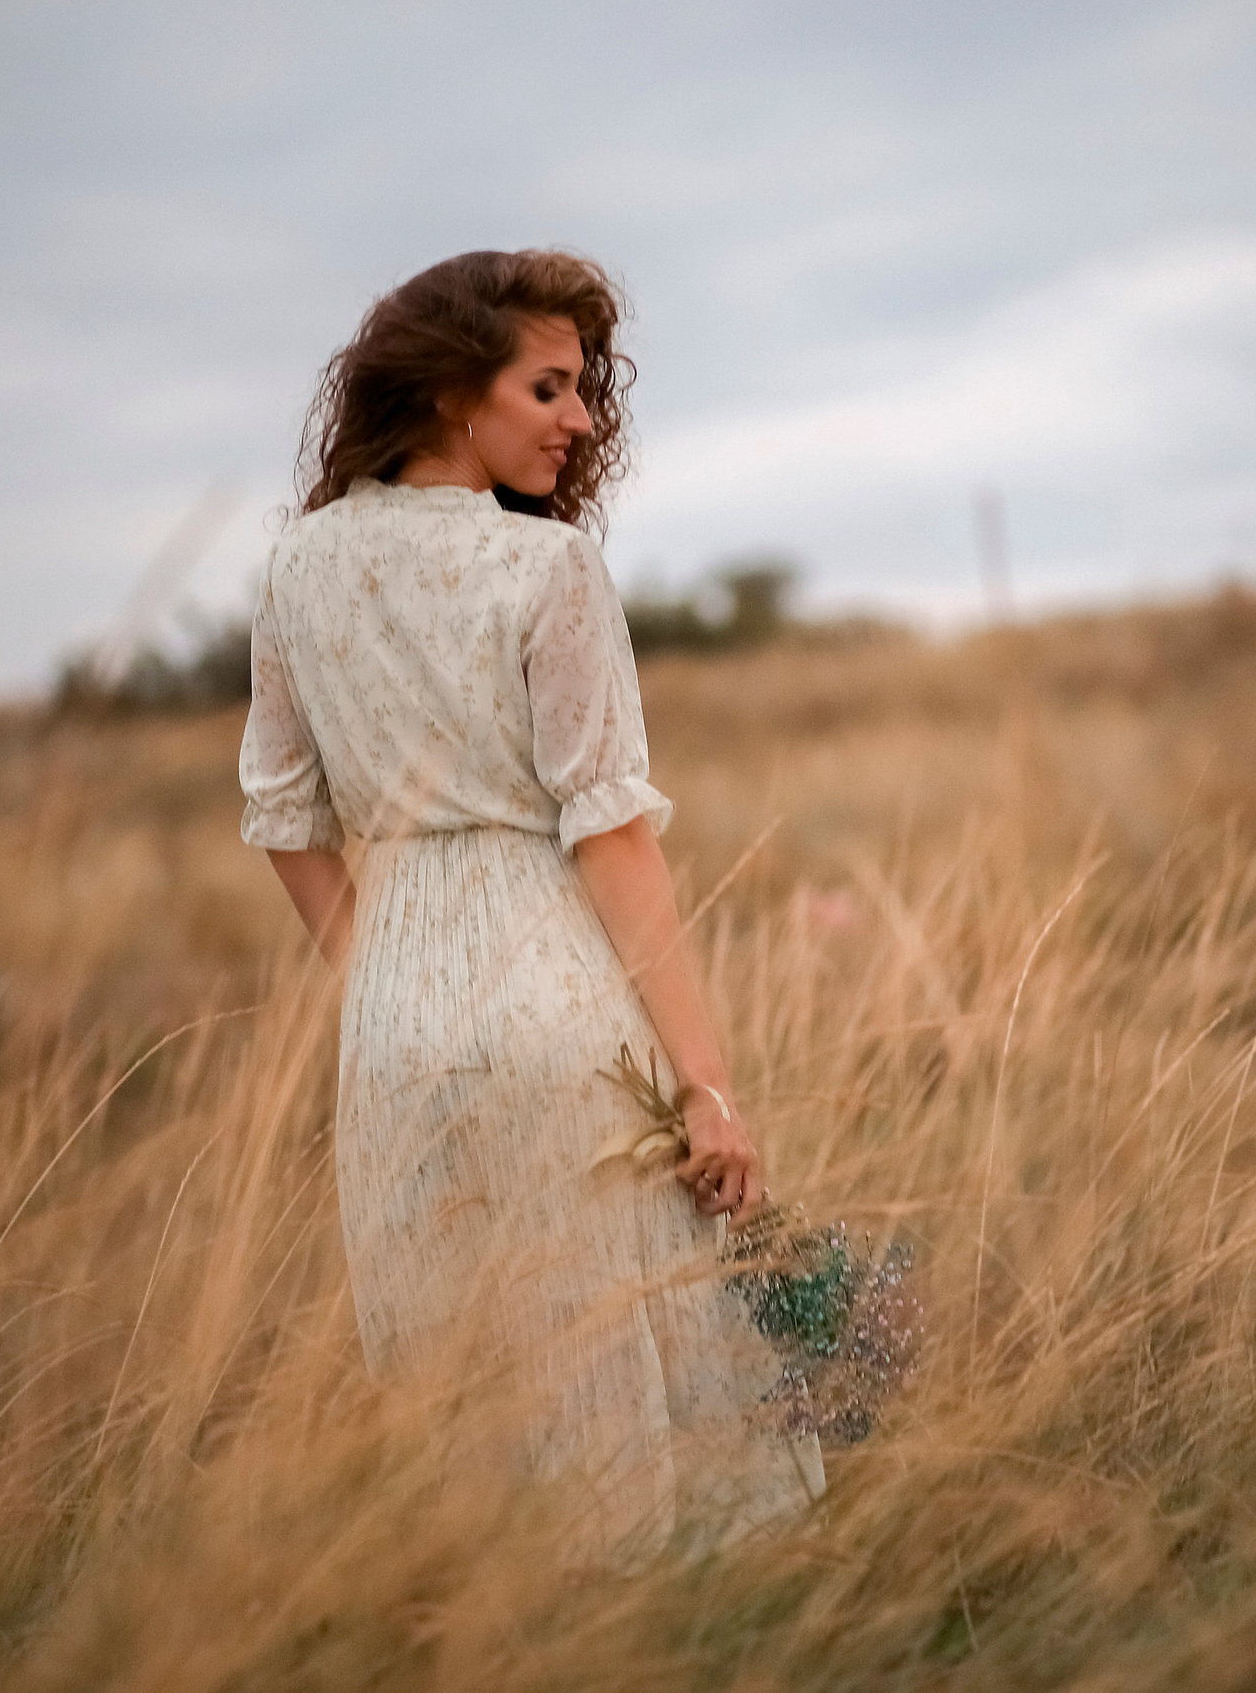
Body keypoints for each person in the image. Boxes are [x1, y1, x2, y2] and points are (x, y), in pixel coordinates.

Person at [238, 249, 823, 1563]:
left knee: (457, 1371)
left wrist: (382, 972)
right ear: (455, 391)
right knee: (620, 1360)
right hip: (552, 990)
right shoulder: (545, 572)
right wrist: (709, 1088)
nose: (583, 420)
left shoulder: (293, 572)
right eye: (550, 387)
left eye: (585, 391)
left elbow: (283, 825)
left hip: (388, 1028)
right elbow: (612, 840)